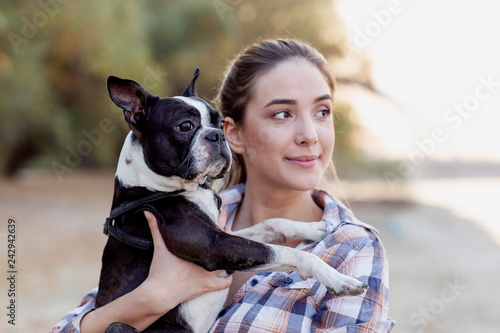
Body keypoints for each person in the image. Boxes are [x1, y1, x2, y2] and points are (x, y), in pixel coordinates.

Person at [51, 39, 395, 333]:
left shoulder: (351, 248)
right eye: (282, 114)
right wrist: (148, 299)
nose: (309, 135)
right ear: (234, 134)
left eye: (322, 111)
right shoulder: (174, 214)